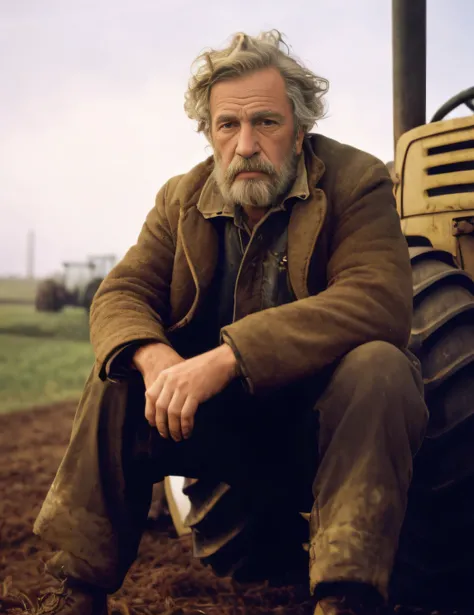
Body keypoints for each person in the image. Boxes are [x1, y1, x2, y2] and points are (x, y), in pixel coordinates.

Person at [33, 30, 428, 615]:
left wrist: (227, 358)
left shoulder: (356, 181)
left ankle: (346, 598)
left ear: (299, 125)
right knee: (114, 376)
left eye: (265, 123)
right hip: (216, 427)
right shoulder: (182, 198)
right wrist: (154, 356)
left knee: (382, 368)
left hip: (320, 426)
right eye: (228, 126)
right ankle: (72, 592)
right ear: (209, 133)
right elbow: (121, 292)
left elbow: (379, 299)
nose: (246, 145)